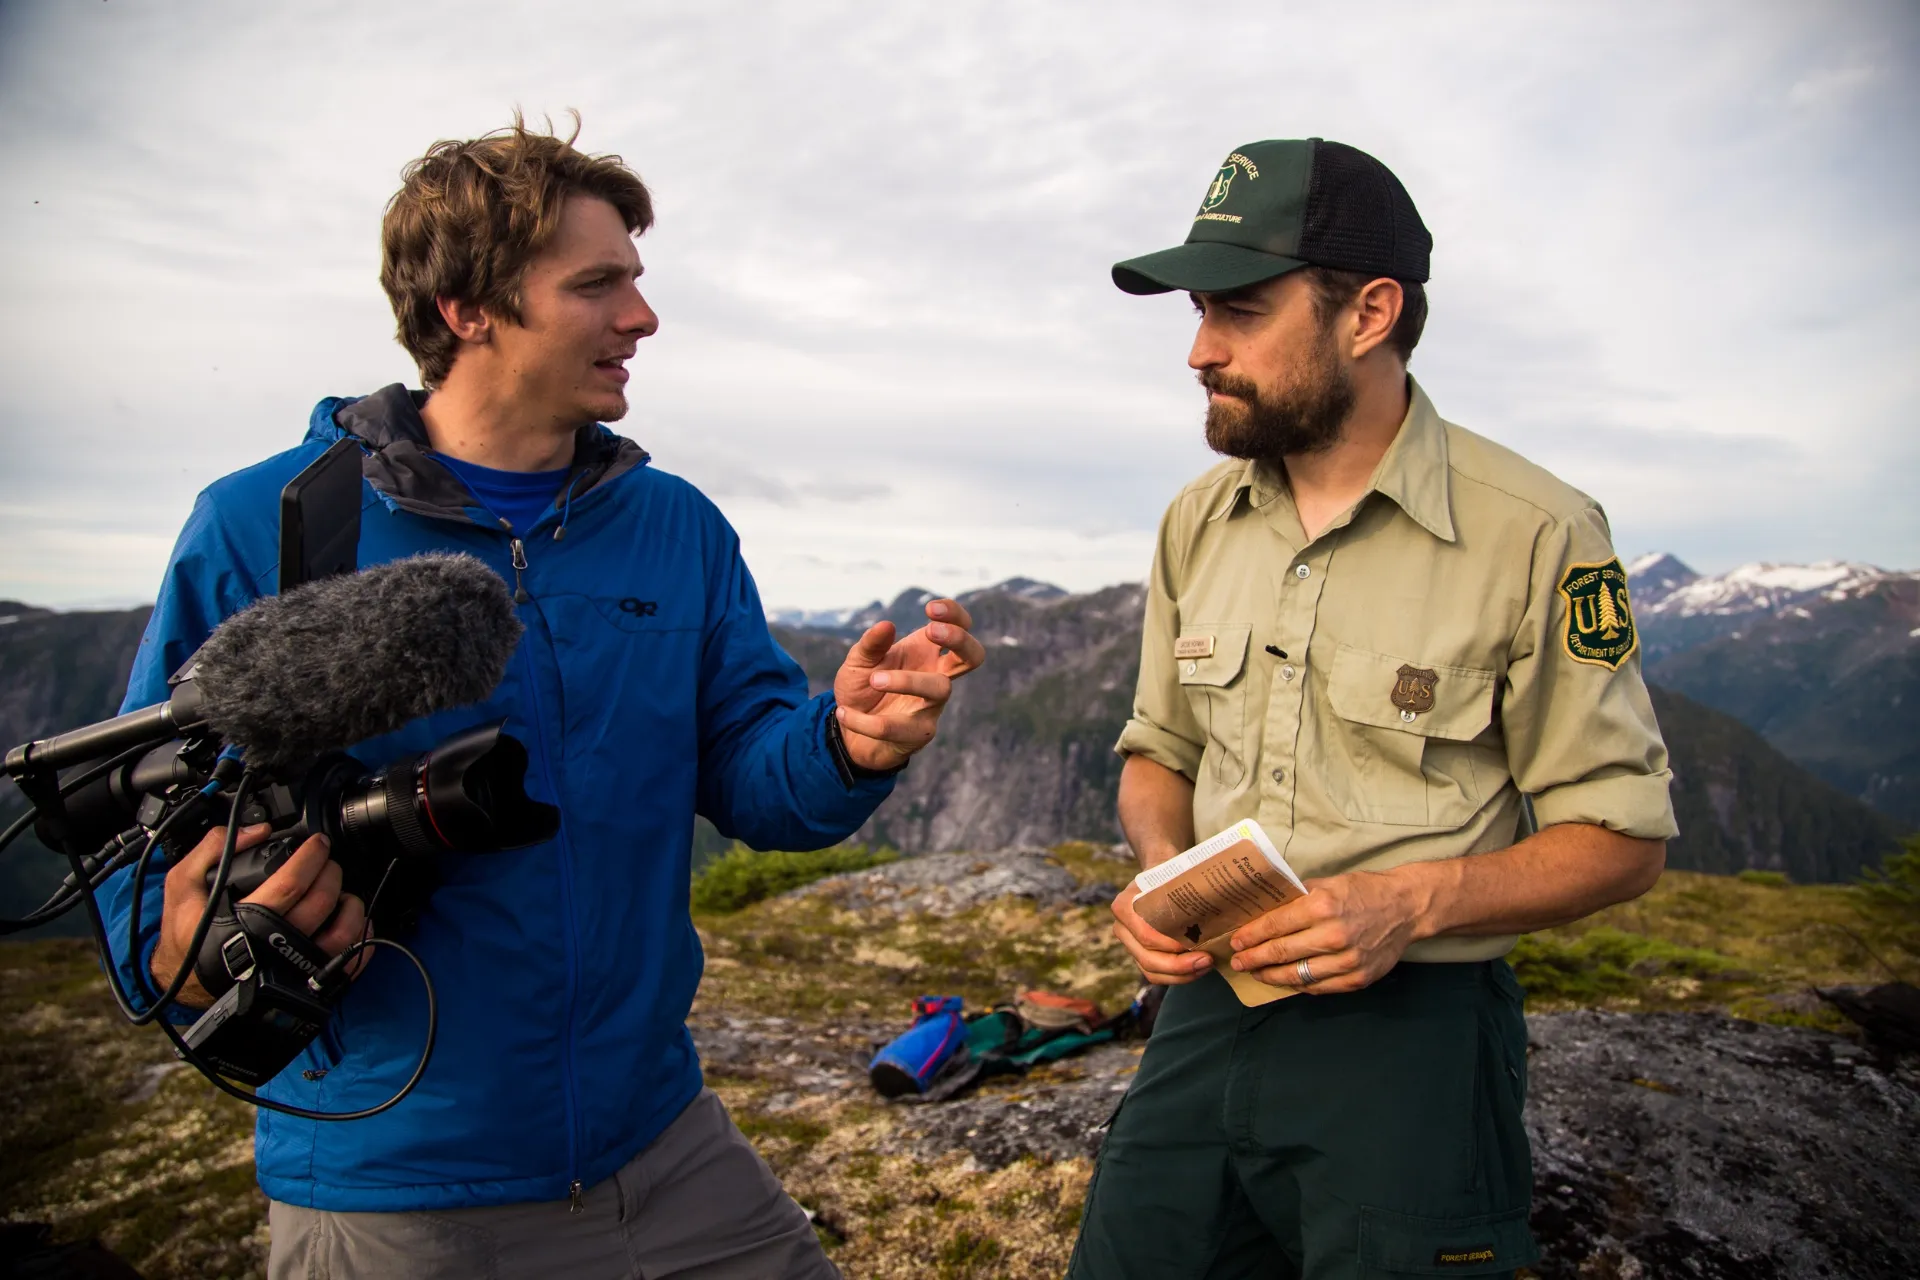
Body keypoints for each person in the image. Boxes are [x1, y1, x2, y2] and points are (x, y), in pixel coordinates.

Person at [97, 116, 985, 1279]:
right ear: (469, 307)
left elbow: (759, 780)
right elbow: (133, 856)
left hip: (664, 1146)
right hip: (396, 1192)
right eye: (598, 283)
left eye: (638, 280)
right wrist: (190, 937)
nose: (642, 316)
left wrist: (851, 739)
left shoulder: (677, 528)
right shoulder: (268, 527)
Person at [1070, 139, 1676, 1279]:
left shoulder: (1539, 533)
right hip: (1205, 1017)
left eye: (1239, 311)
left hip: (1420, 1042)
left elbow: (1624, 839)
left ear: (1370, 313)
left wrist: (1407, 901)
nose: (1200, 350)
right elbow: (1159, 750)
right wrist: (1161, 870)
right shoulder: (1196, 521)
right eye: (1200, 312)